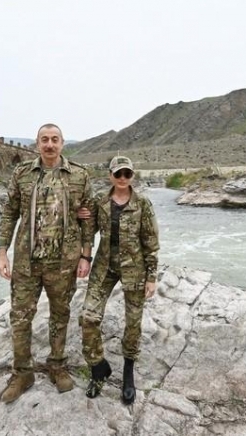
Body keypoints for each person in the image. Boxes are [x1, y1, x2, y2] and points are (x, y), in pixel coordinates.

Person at [0, 123, 94, 403]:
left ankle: (57, 365)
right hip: (27, 262)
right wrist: (2, 252)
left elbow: (89, 219)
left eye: (54, 139)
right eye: (44, 140)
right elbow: (9, 214)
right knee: (20, 316)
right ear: (37, 144)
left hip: (64, 262)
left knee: (60, 315)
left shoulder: (79, 175)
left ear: (62, 143)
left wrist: (86, 255)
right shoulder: (22, 173)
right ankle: (22, 373)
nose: (49, 144)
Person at [79, 156, 160, 405]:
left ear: (132, 176)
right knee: (88, 317)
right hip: (104, 267)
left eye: (127, 174)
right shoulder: (100, 202)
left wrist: (152, 276)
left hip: (134, 269)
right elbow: (86, 231)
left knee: (133, 324)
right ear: (110, 176)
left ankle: (128, 373)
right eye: (118, 174)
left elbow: (151, 241)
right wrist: (79, 215)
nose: (123, 178)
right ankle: (98, 368)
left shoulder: (143, 203)